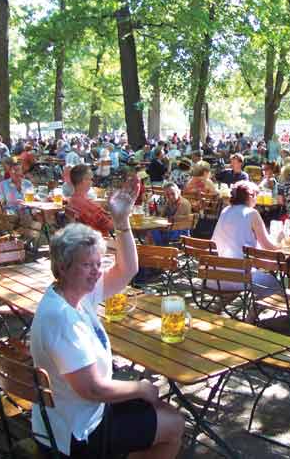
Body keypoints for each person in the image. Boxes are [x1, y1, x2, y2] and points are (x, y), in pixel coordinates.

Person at [30, 184, 184, 458]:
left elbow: (127, 270)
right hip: (77, 432)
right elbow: (92, 389)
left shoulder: (74, 294)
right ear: (63, 267)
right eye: (87, 265)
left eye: (99, 263)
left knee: (165, 413)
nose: (96, 272)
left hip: (72, 416)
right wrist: (140, 388)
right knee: (174, 423)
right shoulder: (61, 317)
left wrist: (122, 222)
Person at [211, 181, 281, 319]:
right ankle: (251, 318)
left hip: (216, 274)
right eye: (256, 195)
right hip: (240, 276)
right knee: (276, 286)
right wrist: (282, 243)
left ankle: (218, 307)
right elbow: (268, 246)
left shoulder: (225, 211)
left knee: (242, 276)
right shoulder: (252, 213)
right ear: (250, 196)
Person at [68, 165, 113, 236]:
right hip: (97, 242)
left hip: (79, 241)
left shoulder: (71, 201)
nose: (92, 182)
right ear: (84, 180)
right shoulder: (90, 206)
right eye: (91, 179)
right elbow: (110, 225)